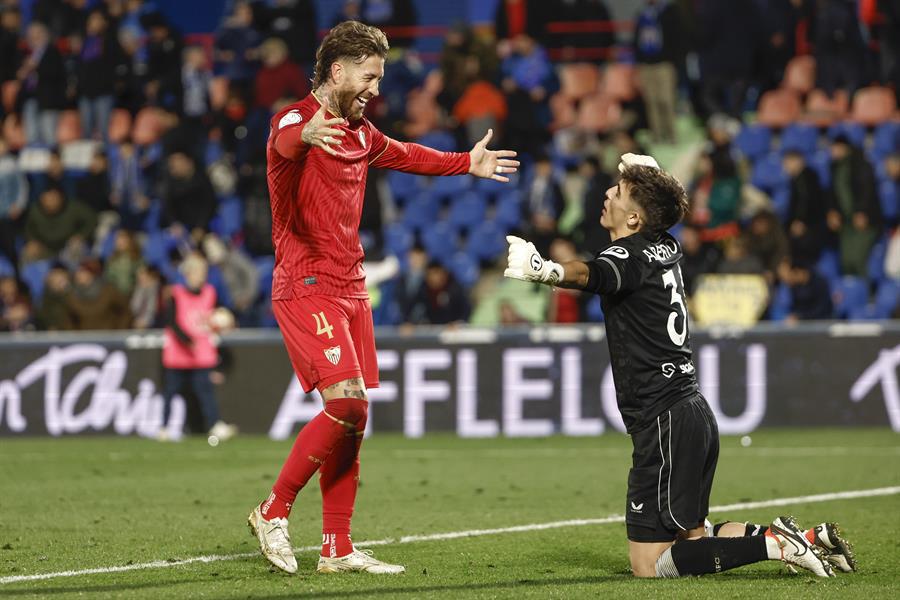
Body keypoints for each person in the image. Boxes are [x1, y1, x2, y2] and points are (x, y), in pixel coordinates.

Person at [248, 20, 519, 576]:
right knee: (344, 403)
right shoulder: (298, 119)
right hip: (306, 284)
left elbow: (407, 153)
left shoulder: (361, 133)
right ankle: (272, 510)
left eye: (379, 78)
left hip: (352, 288)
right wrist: (306, 137)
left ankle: (337, 547)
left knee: (355, 417)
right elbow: (283, 140)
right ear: (338, 70)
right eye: (368, 77)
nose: (375, 88)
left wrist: (465, 162)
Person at [503, 153, 855, 578]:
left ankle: (776, 546)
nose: (608, 194)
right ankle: (808, 540)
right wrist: (647, 173)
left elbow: (590, 275)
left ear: (634, 219)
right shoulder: (666, 244)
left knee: (649, 564)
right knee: (694, 535)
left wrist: (545, 270)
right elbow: (660, 209)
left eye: (617, 192)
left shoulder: (626, 257)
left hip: (662, 421)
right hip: (690, 412)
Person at [159, 253, 237, 442]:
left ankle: (215, 424)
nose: (201, 275)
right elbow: (171, 321)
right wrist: (186, 340)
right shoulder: (176, 294)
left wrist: (225, 323)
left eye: (203, 271)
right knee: (171, 392)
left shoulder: (210, 292)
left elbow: (217, 316)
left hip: (202, 354)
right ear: (187, 274)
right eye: (197, 272)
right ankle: (164, 427)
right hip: (178, 354)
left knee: (206, 392)